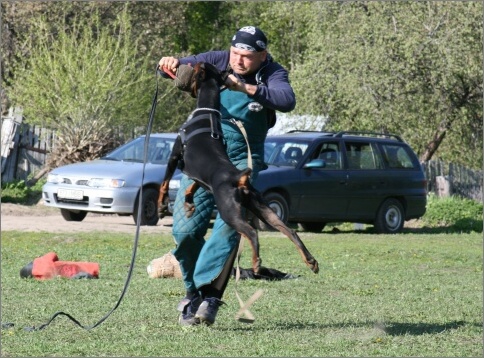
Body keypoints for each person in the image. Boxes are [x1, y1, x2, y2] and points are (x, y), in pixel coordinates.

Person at [158, 26, 296, 326]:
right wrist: (170, 62)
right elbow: (179, 68)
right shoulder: (217, 60)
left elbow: (287, 100)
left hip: (242, 159)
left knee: (228, 228)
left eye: (247, 57)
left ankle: (209, 296)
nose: (238, 61)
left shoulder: (273, 73)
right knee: (184, 230)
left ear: (262, 55)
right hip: (203, 154)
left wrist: (243, 88)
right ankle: (193, 293)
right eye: (235, 53)